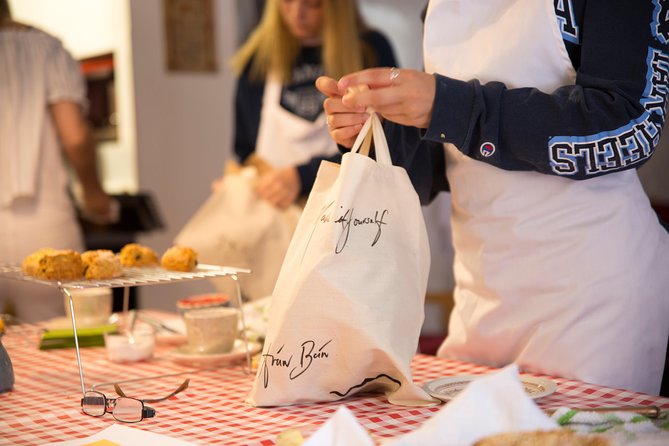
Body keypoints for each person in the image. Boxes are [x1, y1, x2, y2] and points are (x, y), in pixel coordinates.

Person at [316, 0, 669, 395]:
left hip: (591, 299)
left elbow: (629, 128)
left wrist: (447, 106)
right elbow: (449, 161)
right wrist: (380, 136)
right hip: (481, 298)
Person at [0, 1, 116, 322]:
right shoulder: (46, 49)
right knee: (57, 332)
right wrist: (94, 193)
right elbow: (75, 136)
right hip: (43, 225)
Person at [220, 0, 397, 208]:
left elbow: (389, 145)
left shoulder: (370, 51)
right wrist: (241, 183)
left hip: (346, 213)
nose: (297, 14)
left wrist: (302, 177)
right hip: (273, 213)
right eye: (286, 1)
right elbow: (245, 150)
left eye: (313, 4)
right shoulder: (257, 60)